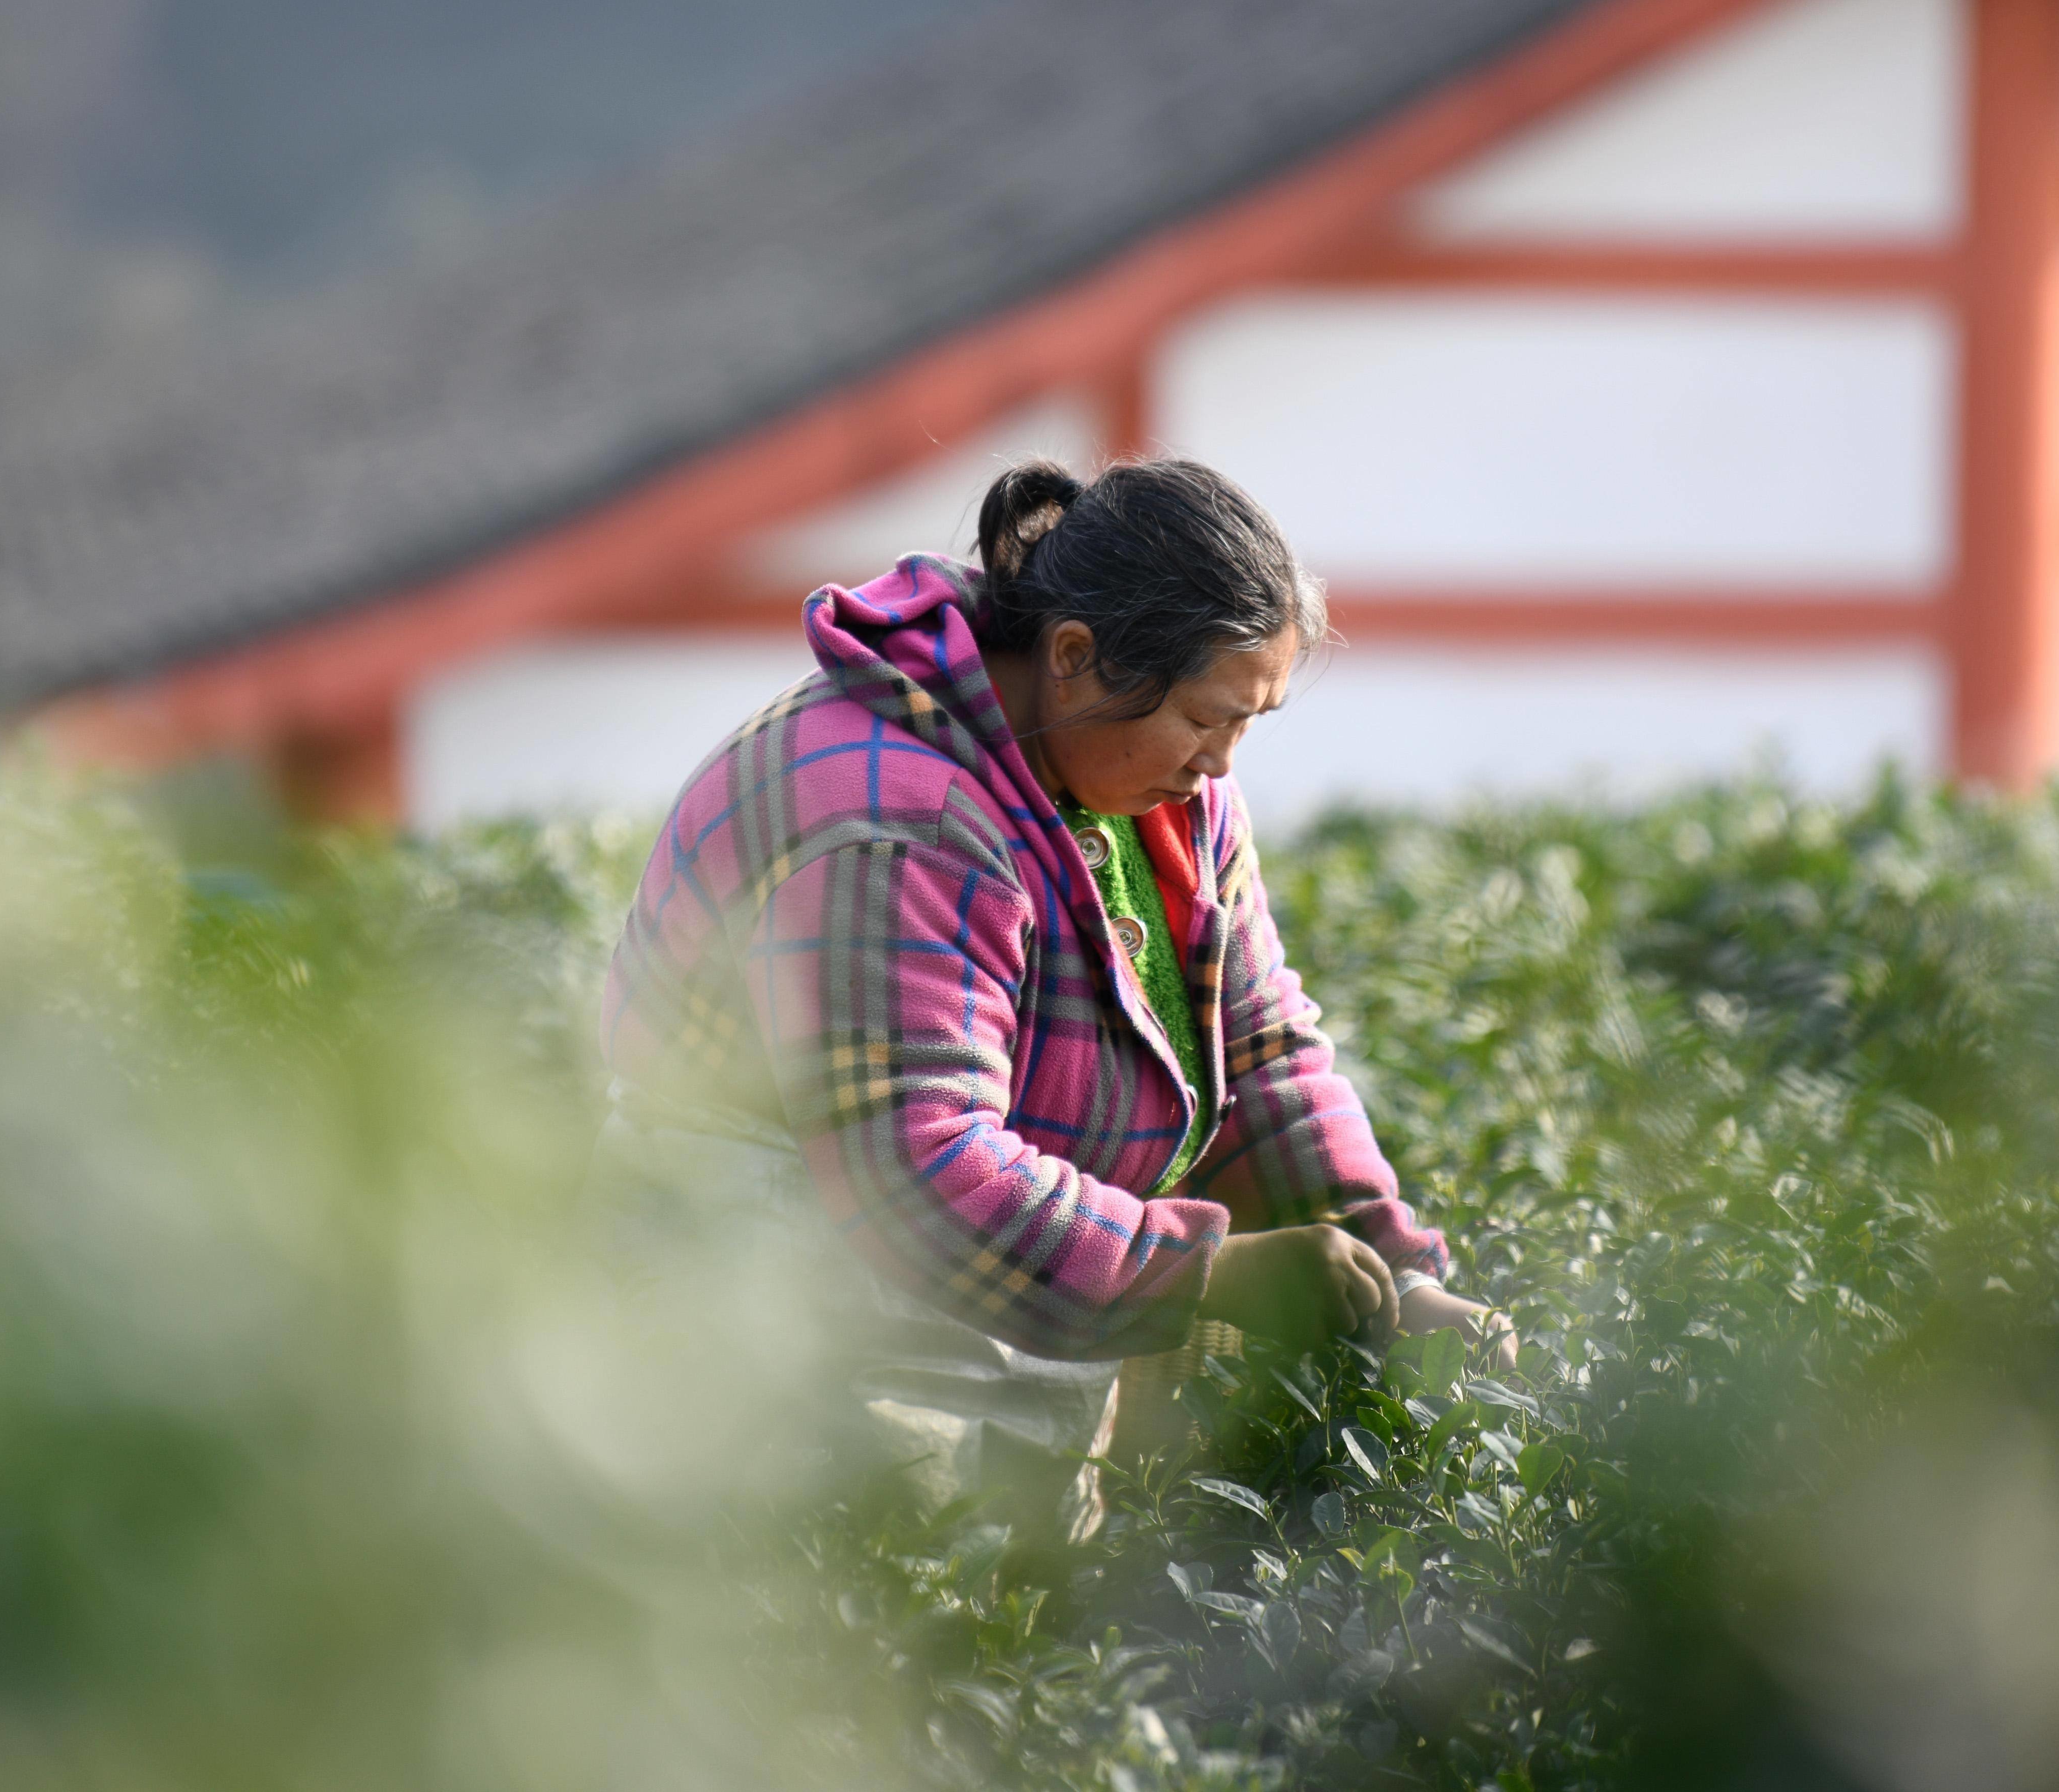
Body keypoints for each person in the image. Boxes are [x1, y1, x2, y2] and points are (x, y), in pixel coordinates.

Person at [594, 457, 1502, 1530]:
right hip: (789, 1319)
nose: (1221, 762)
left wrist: (1394, 1266)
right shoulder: (898, 817)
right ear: (1073, 656)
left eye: (1246, 724)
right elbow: (920, 1167)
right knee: (882, 1612)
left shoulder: (1165, 794)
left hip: (1026, 1290)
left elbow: (1260, 1053)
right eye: (1207, 719)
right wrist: (1202, 1273)